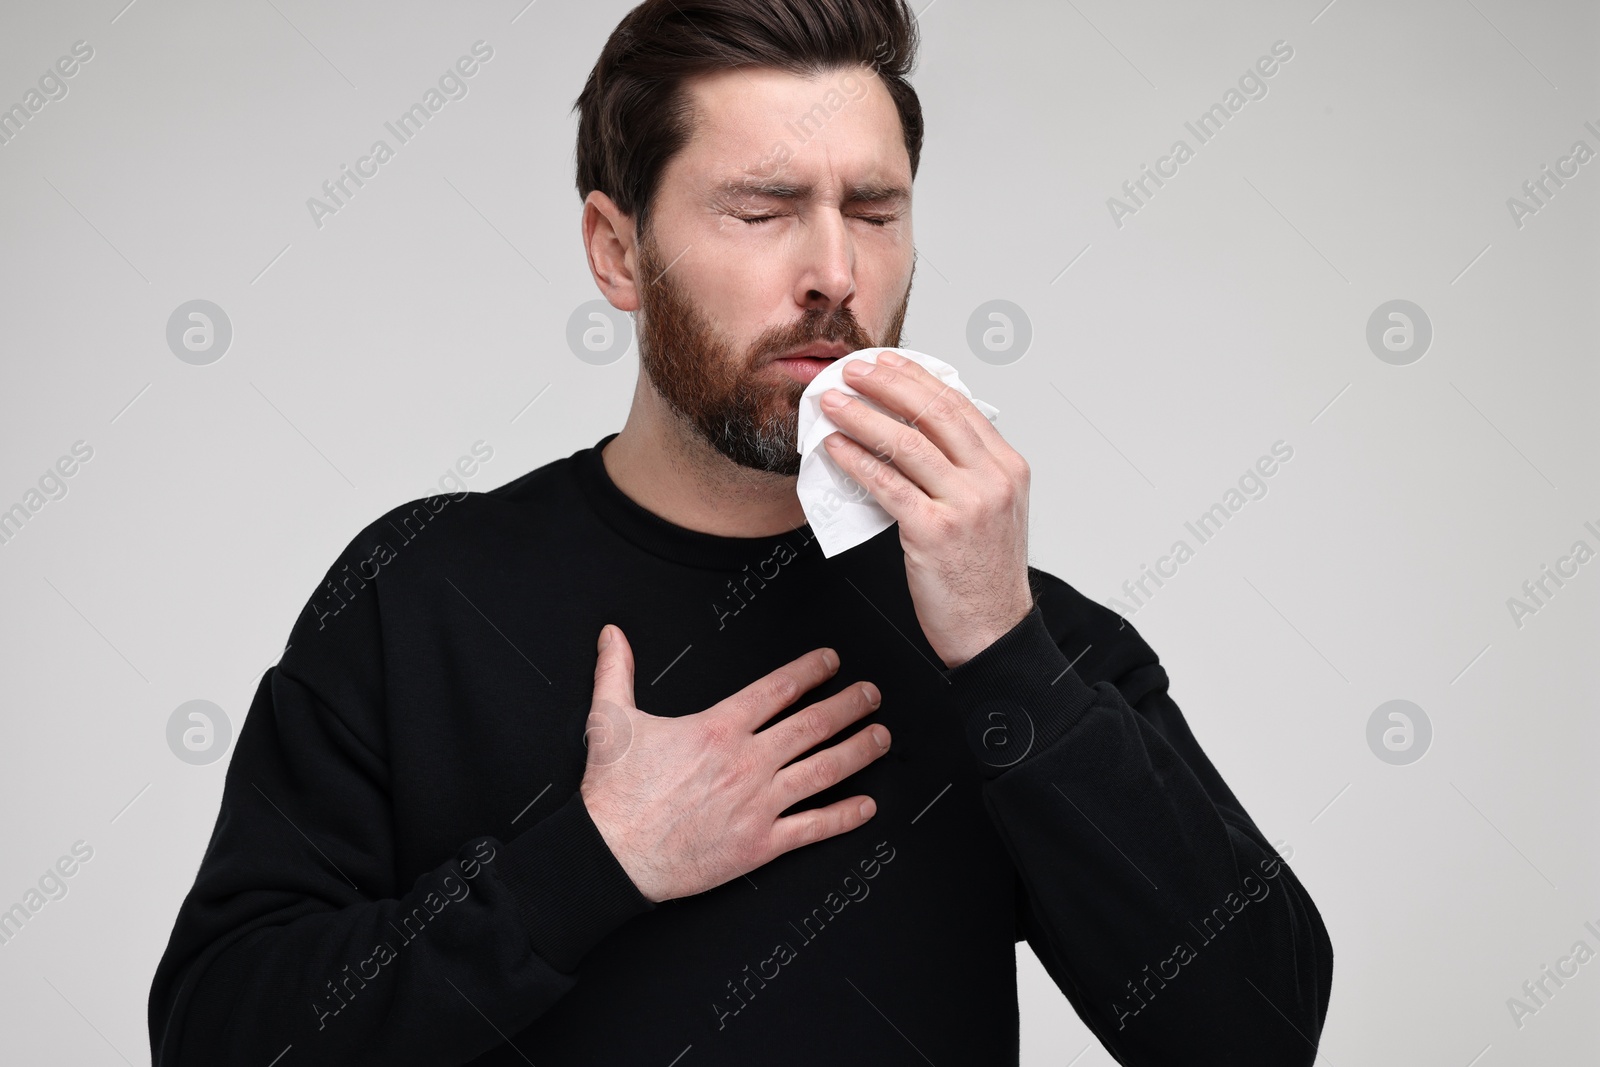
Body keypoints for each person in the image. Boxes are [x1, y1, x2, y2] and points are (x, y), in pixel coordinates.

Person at [148, 1, 1332, 1063]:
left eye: (872, 210)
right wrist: (593, 859)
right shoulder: (418, 593)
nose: (833, 272)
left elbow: (1256, 1033)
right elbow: (221, 1038)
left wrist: (1003, 650)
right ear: (619, 251)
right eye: (763, 209)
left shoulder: (1019, 629)